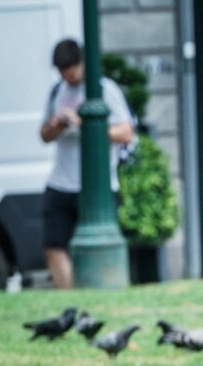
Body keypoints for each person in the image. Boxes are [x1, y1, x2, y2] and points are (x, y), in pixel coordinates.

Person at [38, 39, 134, 289]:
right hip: (61, 181)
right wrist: (57, 126)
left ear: (82, 64)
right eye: (61, 71)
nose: (66, 76)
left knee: (96, 247)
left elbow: (126, 132)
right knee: (54, 247)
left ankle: (99, 294)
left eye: (70, 70)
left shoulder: (104, 89)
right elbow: (44, 135)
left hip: (96, 185)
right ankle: (73, 302)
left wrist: (86, 123)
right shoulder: (56, 91)